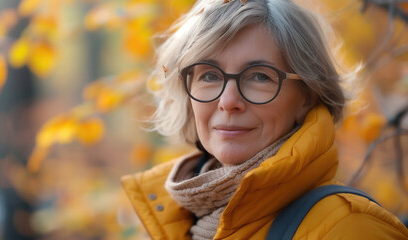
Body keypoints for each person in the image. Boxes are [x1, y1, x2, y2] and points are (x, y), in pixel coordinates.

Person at [121, 0, 408, 239]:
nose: (228, 101)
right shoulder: (175, 221)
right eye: (209, 75)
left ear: (307, 95)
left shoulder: (350, 229)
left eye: (259, 76)